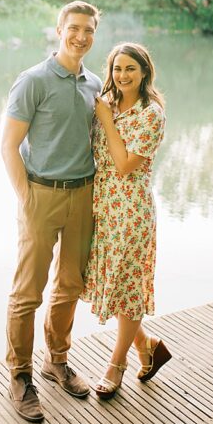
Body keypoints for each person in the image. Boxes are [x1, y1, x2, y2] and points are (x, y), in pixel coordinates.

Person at [1, 1, 102, 423]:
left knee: (70, 286)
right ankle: (21, 375)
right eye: (74, 27)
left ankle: (56, 360)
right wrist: (27, 198)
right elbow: (8, 146)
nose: (81, 36)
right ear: (59, 29)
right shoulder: (33, 81)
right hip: (41, 195)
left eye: (89, 30)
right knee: (28, 292)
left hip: (83, 195)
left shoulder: (96, 83)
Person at [81, 42, 171, 399]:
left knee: (129, 288)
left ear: (145, 72)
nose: (122, 75)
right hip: (102, 207)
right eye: (117, 69)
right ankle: (147, 345)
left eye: (130, 69)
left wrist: (105, 120)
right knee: (114, 285)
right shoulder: (108, 102)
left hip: (131, 211)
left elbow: (125, 164)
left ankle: (116, 365)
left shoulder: (152, 114)